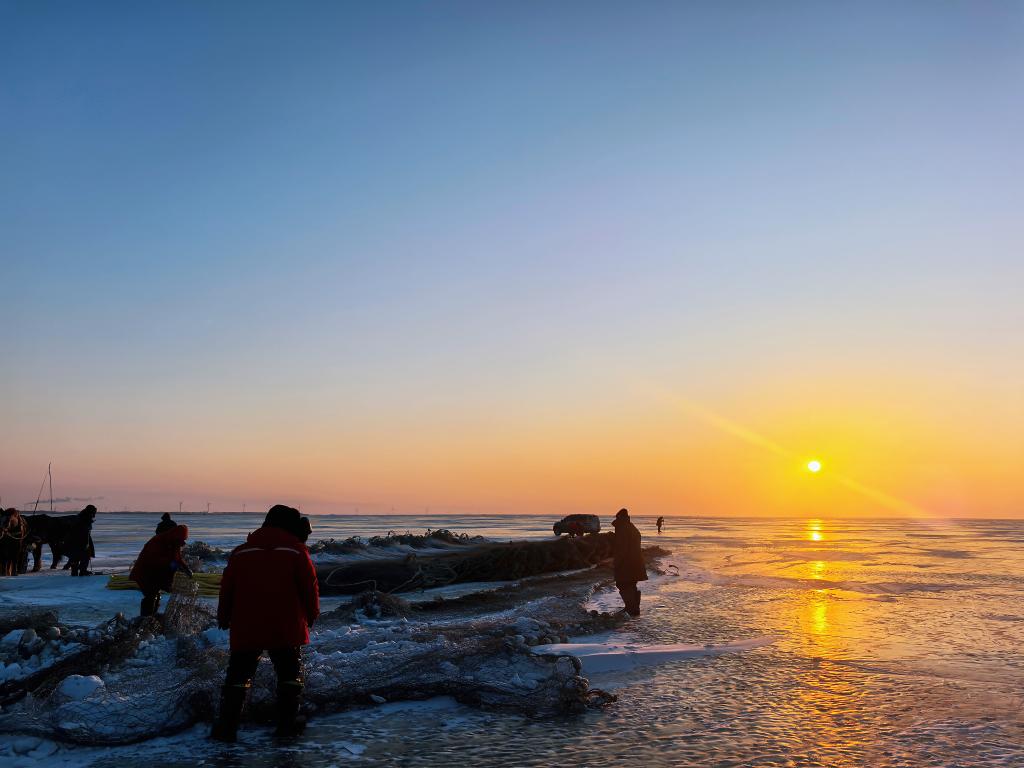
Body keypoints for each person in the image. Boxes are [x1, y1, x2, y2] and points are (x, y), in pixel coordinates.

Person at [211, 505, 320, 742]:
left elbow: (227, 588)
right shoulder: (296, 551)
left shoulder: (240, 552)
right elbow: (309, 587)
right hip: (286, 624)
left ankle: (227, 727)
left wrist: (223, 616)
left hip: (246, 624)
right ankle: (286, 726)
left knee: (238, 675)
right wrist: (312, 614)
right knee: (289, 674)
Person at [129, 523, 192, 616]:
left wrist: (186, 568)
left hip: (156, 574)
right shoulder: (159, 541)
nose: (183, 542)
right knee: (151, 595)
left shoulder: (175, 542)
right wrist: (171, 564)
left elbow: (177, 558)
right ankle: (146, 618)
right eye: (182, 539)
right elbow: (153, 559)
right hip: (145, 572)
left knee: (156, 595)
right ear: (176, 536)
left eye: (184, 539)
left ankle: (151, 616)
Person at [611, 508, 647, 616]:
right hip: (636, 562)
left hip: (627, 563)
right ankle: (634, 609)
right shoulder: (632, 527)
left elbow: (622, 549)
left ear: (620, 518)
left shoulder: (623, 529)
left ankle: (631, 609)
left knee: (623, 584)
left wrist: (616, 563)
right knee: (631, 585)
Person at [64, 505, 97, 576]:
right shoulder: (84, 519)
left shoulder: (81, 516)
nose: (94, 515)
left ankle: (76, 571)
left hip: (74, 540)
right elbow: (82, 531)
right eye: (94, 512)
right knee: (84, 555)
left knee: (76, 555)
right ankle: (82, 571)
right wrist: (86, 543)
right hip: (79, 539)